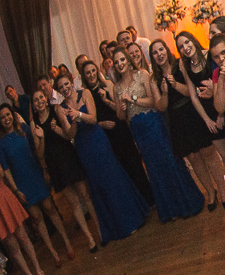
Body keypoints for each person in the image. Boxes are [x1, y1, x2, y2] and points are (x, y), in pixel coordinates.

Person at [112, 47, 205, 223]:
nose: (120, 64)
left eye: (122, 60)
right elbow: (121, 116)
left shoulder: (142, 75)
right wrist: (122, 108)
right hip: (138, 131)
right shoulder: (116, 87)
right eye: (116, 62)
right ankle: (171, 209)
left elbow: (153, 102)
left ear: (128, 60)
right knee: (154, 170)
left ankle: (188, 203)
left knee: (170, 162)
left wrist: (133, 99)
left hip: (153, 125)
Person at [56, 73, 149, 244]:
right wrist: (74, 121)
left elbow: (93, 119)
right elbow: (70, 134)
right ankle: (117, 226)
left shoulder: (85, 93)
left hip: (97, 140)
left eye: (66, 84)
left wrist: (79, 114)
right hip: (84, 147)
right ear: (59, 90)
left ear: (71, 82)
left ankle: (134, 217)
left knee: (114, 177)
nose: (65, 88)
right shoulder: (60, 109)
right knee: (99, 184)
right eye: (61, 87)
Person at [174, 32, 225, 211]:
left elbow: (221, 81)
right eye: (181, 46)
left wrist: (221, 115)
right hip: (208, 115)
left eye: (187, 42)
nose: (185, 48)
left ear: (193, 40)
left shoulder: (211, 56)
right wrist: (207, 120)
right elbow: (193, 96)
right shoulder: (185, 66)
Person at [148, 40, 223, 211]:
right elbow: (160, 106)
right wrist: (165, 93)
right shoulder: (154, 79)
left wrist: (174, 84)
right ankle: (211, 192)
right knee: (194, 158)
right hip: (176, 119)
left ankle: (223, 190)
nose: (159, 54)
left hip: (192, 112)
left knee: (208, 153)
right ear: (152, 57)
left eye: (161, 49)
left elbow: (191, 92)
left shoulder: (180, 64)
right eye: (155, 52)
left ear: (167, 50)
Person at [0, 103, 70, 264]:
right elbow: (6, 170)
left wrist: (44, 169)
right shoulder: (0, 142)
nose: (6, 119)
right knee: (37, 218)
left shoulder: (23, 129)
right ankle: (53, 253)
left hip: (36, 173)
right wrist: (16, 190)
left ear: (12, 115)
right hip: (22, 183)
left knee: (50, 208)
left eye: (8, 115)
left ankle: (67, 242)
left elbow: (37, 150)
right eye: (2, 117)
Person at [31, 86, 100, 250]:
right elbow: (39, 154)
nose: (40, 101)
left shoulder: (56, 110)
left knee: (85, 195)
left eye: (41, 97)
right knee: (74, 203)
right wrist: (41, 138)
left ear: (46, 99)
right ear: (33, 105)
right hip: (55, 166)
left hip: (69, 157)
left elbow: (69, 135)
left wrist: (57, 128)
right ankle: (90, 239)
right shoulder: (34, 124)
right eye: (36, 100)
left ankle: (100, 231)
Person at [79, 60, 153, 206]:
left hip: (120, 129)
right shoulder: (85, 94)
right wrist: (101, 124)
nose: (91, 74)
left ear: (97, 71)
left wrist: (106, 100)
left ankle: (149, 198)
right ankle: (136, 203)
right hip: (104, 136)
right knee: (121, 168)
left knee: (134, 162)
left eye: (93, 71)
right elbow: (90, 119)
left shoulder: (107, 85)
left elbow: (120, 109)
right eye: (88, 73)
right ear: (84, 76)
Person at [0, 138, 47, 275]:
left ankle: (38, 269)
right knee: (12, 245)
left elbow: (1, 174)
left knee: (23, 237)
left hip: (5, 198)